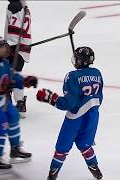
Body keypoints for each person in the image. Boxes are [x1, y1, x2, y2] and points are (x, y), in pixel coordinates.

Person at [36, 47, 104, 180]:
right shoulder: (97, 73)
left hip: (75, 117)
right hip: (93, 116)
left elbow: (69, 103)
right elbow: (99, 98)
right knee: (85, 144)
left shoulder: (72, 76)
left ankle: (52, 174)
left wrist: (51, 98)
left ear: (80, 60)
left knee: (63, 146)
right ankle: (94, 167)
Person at [0, 36, 37, 170]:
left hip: (0, 100)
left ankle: (15, 148)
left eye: (4, 46)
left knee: (14, 116)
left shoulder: (3, 61)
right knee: (1, 127)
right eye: (0, 48)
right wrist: (1, 88)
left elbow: (12, 76)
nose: (4, 49)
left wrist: (24, 81)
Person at [4, 0, 33, 118]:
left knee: (8, 75)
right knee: (15, 74)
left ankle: (10, 104)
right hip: (23, 47)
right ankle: (20, 104)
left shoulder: (13, 6)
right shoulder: (24, 6)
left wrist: (9, 46)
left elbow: (14, 30)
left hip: (14, 47)